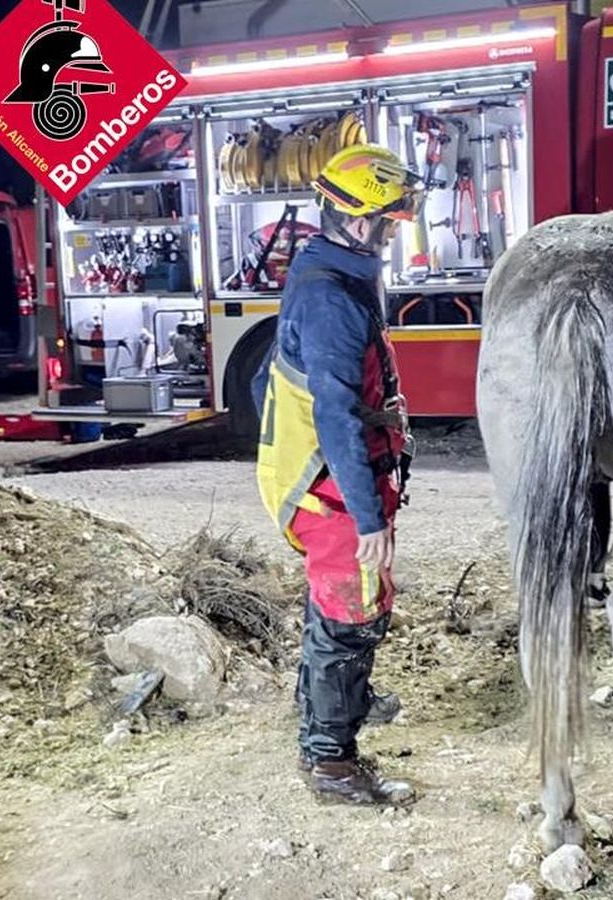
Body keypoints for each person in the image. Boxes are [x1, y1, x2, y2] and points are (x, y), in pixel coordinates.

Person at [254, 144, 421, 805]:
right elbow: (333, 417)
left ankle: (344, 695)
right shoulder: (332, 299)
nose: (394, 232)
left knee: (345, 608)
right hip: (324, 488)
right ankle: (331, 763)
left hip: (331, 480)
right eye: (390, 221)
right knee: (349, 613)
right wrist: (370, 518)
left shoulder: (335, 270)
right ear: (359, 222)